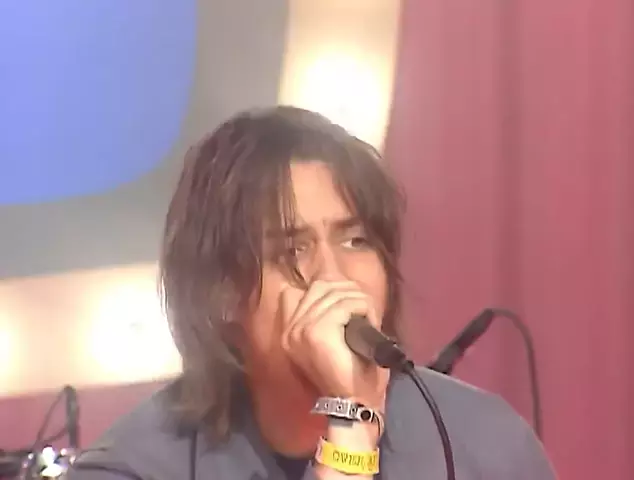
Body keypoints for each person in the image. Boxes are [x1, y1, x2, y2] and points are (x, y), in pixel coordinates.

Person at [64, 106, 556, 480]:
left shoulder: (483, 444)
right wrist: (351, 427)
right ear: (222, 292)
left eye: (355, 240)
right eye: (292, 250)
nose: (334, 276)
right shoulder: (135, 467)